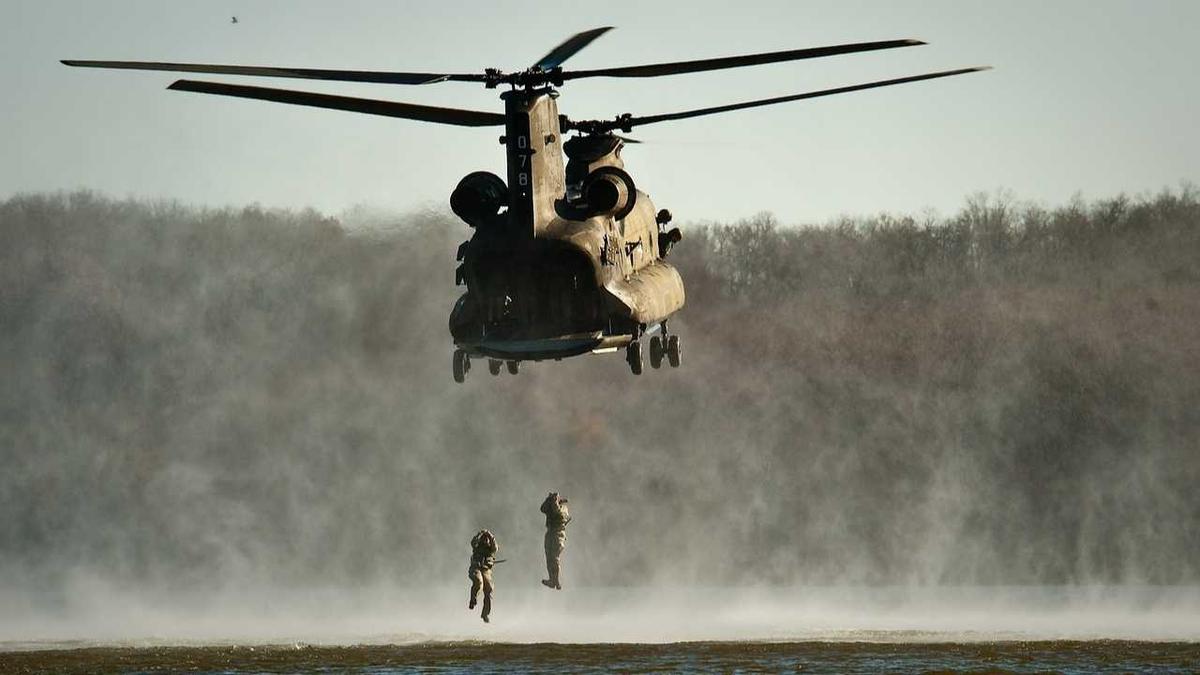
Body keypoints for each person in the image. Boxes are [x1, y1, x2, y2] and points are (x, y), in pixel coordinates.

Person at [540, 492, 571, 590]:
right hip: (550, 534)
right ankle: (552, 580)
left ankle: (556, 581)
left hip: (558, 535)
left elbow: (558, 513)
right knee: (549, 558)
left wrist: (555, 502)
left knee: (554, 558)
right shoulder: (551, 508)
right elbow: (542, 509)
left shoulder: (563, 509)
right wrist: (548, 499)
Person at [467, 529, 498, 622]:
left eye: (486, 539)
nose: (485, 541)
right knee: (478, 582)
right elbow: (473, 542)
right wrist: (480, 533)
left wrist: (490, 535)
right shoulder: (476, 547)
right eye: (483, 539)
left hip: (486, 570)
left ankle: (485, 614)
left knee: (489, 590)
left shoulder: (491, 549)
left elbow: (495, 547)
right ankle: (473, 601)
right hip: (476, 568)